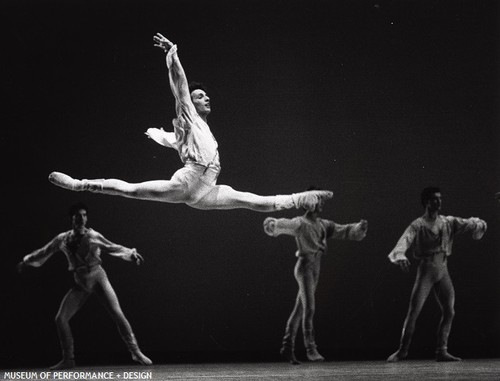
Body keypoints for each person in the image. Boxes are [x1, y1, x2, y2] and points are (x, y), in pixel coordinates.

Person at [48, 33, 333, 213]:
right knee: (131, 190)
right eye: (200, 96)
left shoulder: (198, 130)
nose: (205, 98)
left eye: (206, 94)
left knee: (254, 201)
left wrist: (161, 135)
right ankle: (80, 185)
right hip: (188, 183)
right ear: (192, 104)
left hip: (207, 191)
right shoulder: (189, 114)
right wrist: (172, 55)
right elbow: (180, 88)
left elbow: (175, 140)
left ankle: (302, 199)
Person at [17, 202, 152, 370]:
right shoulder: (62, 239)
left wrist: (131, 254)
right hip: (80, 282)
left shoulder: (92, 235)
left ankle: (136, 352)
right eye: (78, 215)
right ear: (72, 218)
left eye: (84, 215)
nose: (81, 218)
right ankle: (68, 359)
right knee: (60, 319)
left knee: (118, 314)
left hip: (98, 277)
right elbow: (44, 251)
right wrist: (26, 260)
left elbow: (112, 246)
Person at [263, 190, 368, 364]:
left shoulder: (322, 224)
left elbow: (343, 230)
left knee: (300, 309)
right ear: (309, 203)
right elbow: (287, 224)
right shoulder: (301, 222)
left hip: (315, 267)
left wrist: (358, 227)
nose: (321, 204)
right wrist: (274, 224)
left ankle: (287, 347)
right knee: (309, 308)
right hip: (305, 266)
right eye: (318, 201)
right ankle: (310, 349)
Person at [386, 187, 487, 362]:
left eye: (440, 198)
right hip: (427, 270)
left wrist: (478, 224)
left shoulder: (448, 222)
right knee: (414, 312)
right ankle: (403, 350)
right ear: (426, 202)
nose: (438, 202)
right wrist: (400, 256)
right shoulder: (418, 225)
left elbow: (468, 223)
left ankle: (442, 350)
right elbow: (404, 241)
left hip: (443, 270)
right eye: (434, 199)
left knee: (450, 311)